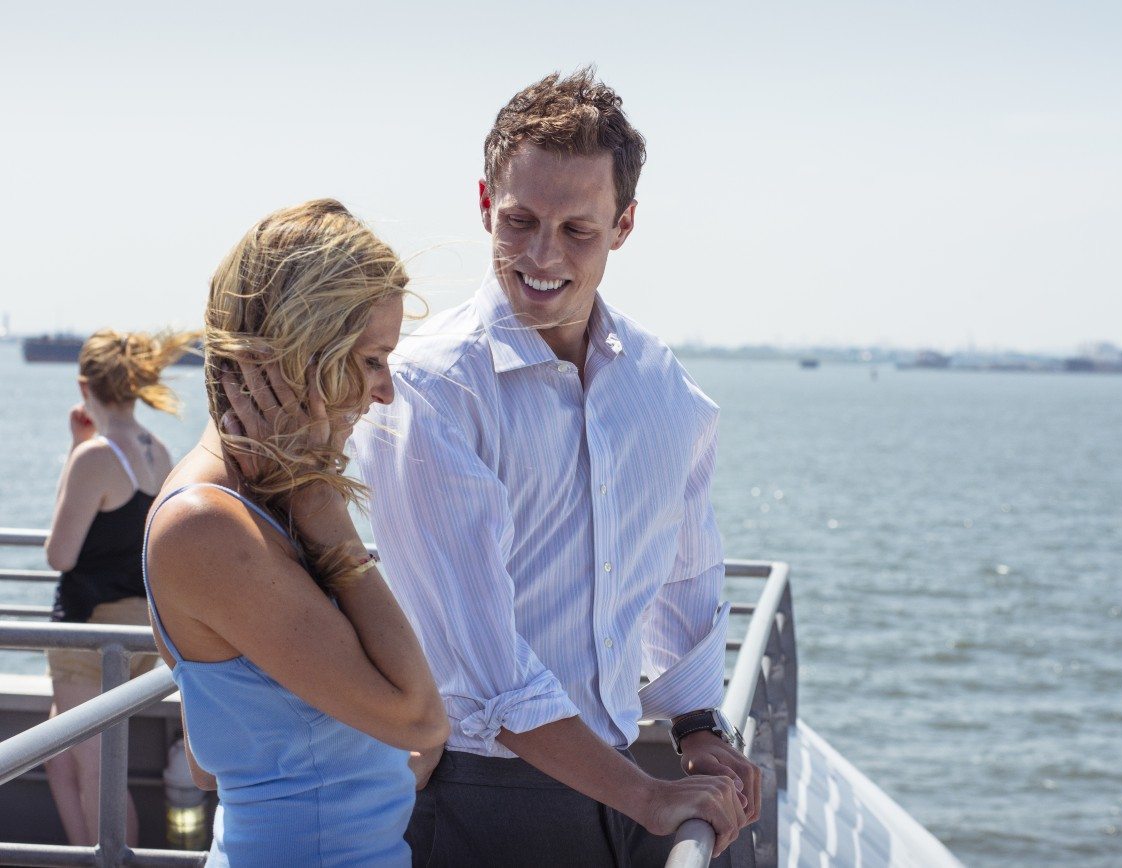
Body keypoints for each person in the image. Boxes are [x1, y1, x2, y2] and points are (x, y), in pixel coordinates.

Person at [353, 69, 761, 867]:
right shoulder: (427, 391)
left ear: (625, 224)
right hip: (479, 790)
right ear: (484, 204)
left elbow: (681, 573)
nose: (542, 256)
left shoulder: (657, 381)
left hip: (620, 778)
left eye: (578, 230)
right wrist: (646, 795)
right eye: (520, 221)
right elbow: (484, 664)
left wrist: (697, 727)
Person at [142, 199, 448, 866]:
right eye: (371, 359)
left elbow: (208, 755)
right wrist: (319, 501)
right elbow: (421, 718)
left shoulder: (253, 508)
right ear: (298, 353)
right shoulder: (206, 527)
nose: (385, 391)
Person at [44, 327, 196, 847]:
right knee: (63, 763)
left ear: (84, 384)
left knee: (98, 776)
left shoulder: (96, 457)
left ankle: (112, 862)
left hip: (88, 634)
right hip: (138, 631)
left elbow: (59, 554)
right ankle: (79, 859)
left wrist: (76, 449)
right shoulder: (159, 450)